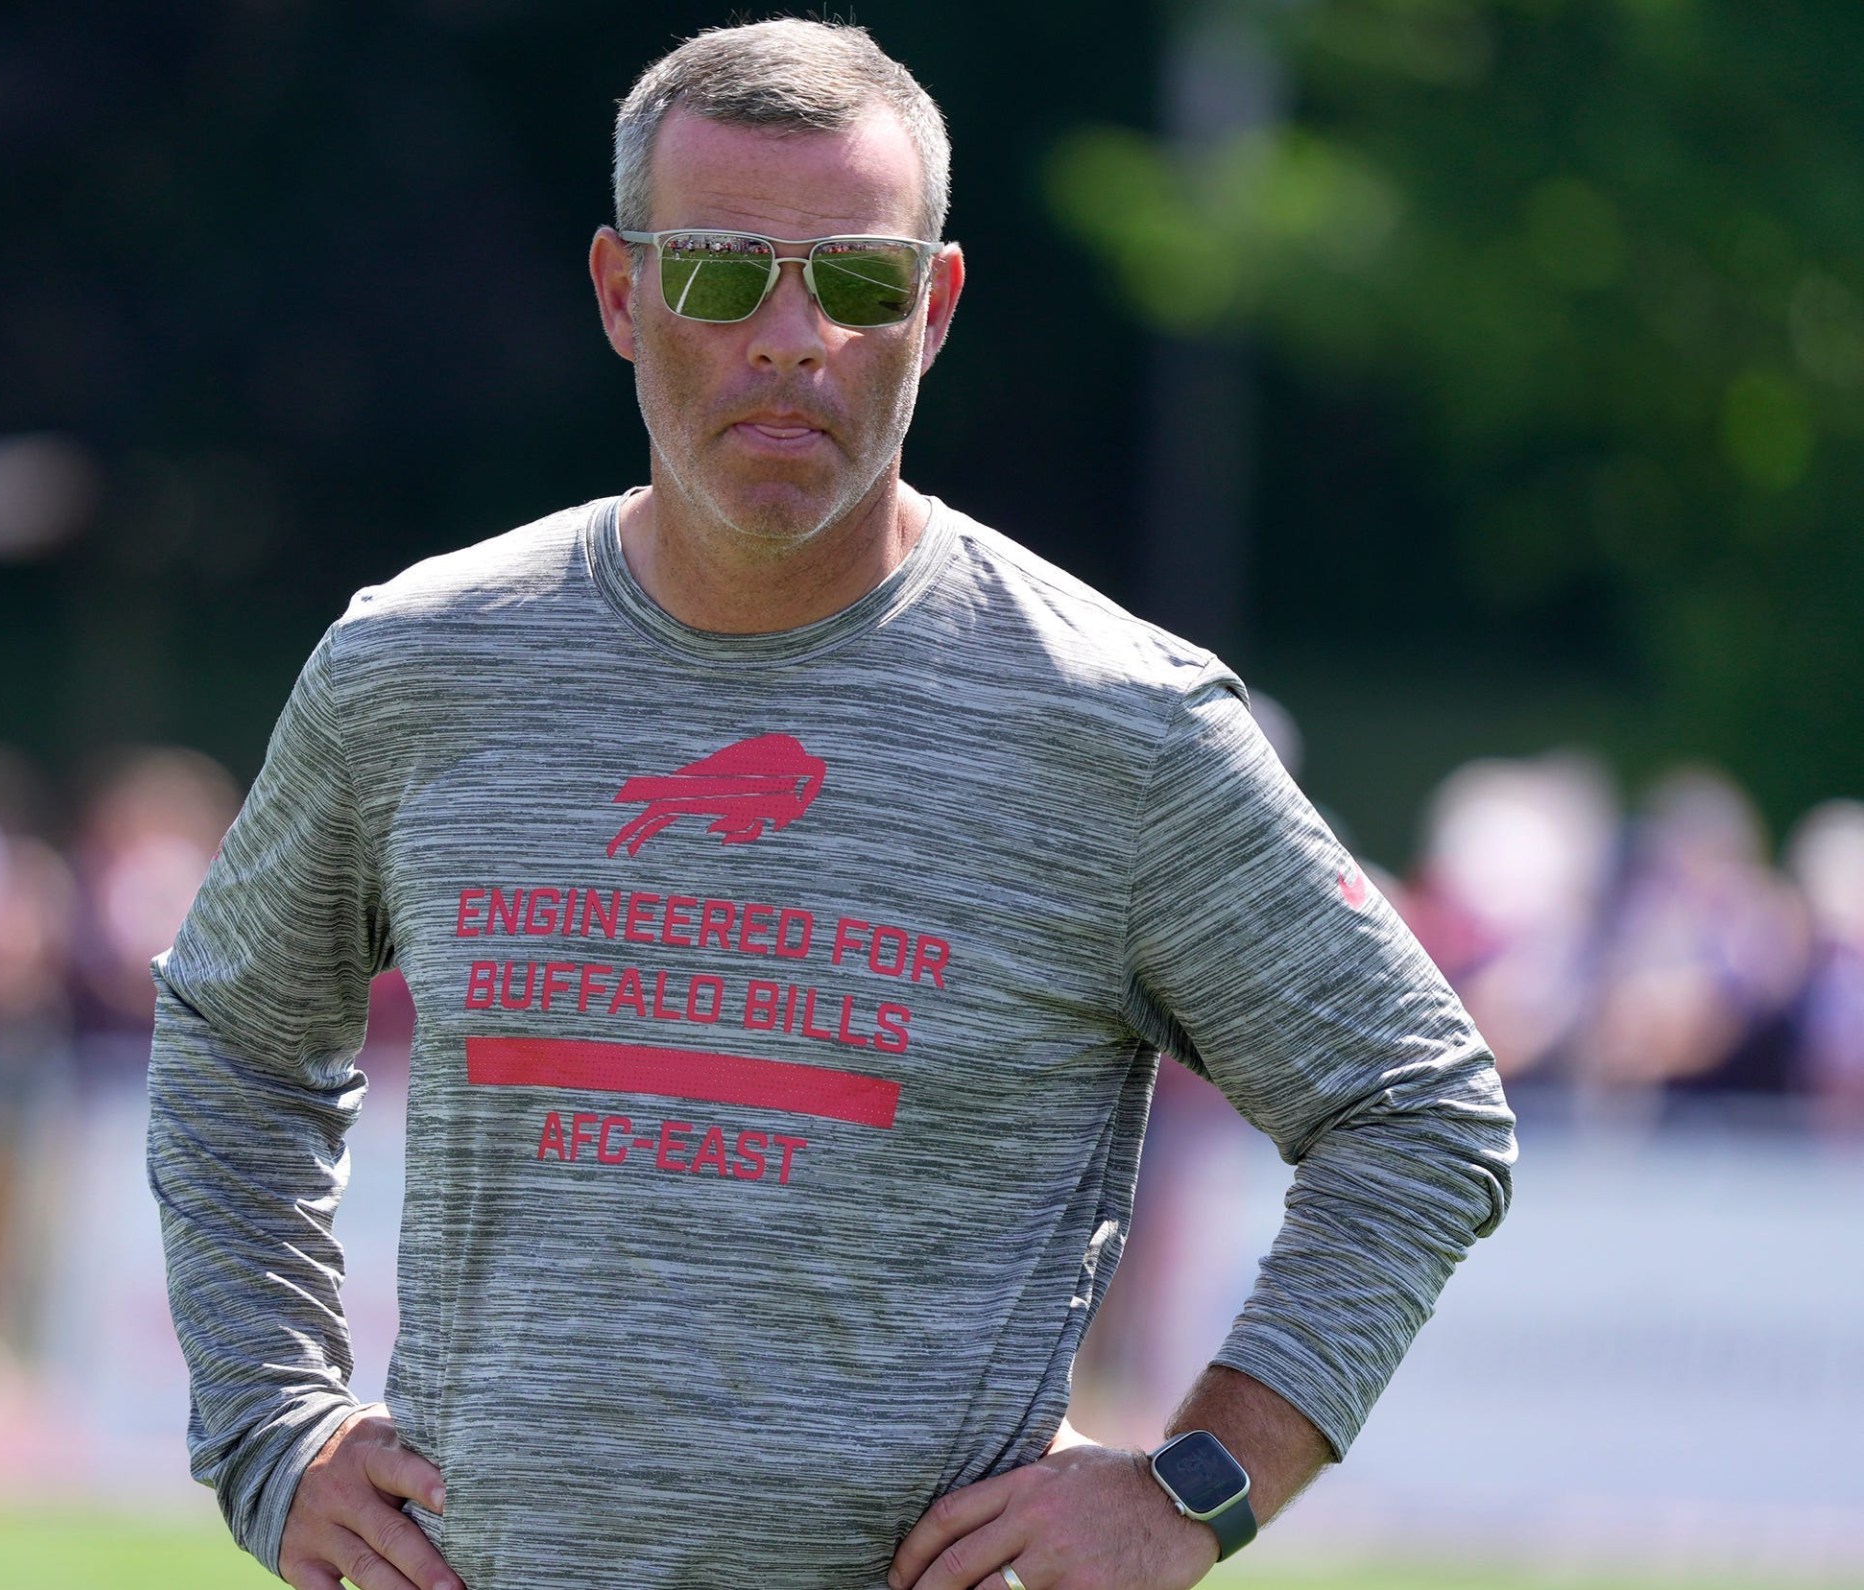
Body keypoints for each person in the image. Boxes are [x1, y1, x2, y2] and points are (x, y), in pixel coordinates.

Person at [148, 20, 1517, 1590]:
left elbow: (1417, 1109)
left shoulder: (1117, 722)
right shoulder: (417, 666)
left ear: (931, 308)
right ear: (622, 292)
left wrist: (1191, 1487)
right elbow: (236, 1036)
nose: (792, 335)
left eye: (856, 281)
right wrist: (271, 1426)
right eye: (724, 272)